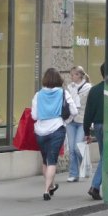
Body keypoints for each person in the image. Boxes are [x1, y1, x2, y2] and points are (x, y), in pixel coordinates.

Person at [32, 68, 77, 201]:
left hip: (40, 131)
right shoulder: (63, 93)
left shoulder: (38, 95)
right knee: (52, 160)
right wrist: (66, 121)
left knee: (45, 160)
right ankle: (46, 190)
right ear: (59, 79)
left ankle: (51, 186)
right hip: (57, 128)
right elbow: (73, 111)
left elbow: (34, 115)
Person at [83, 63, 105, 201]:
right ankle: (95, 186)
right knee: (107, 157)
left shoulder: (94, 90)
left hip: (98, 126)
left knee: (105, 154)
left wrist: (86, 131)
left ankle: (99, 185)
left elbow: (88, 112)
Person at [66, 66, 91, 182]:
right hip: (71, 120)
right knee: (71, 148)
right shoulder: (69, 88)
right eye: (71, 75)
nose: (71, 77)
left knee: (77, 148)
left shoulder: (88, 88)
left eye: (74, 75)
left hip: (82, 120)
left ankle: (84, 165)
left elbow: (90, 106)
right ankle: (73, 174)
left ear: (80, 75)